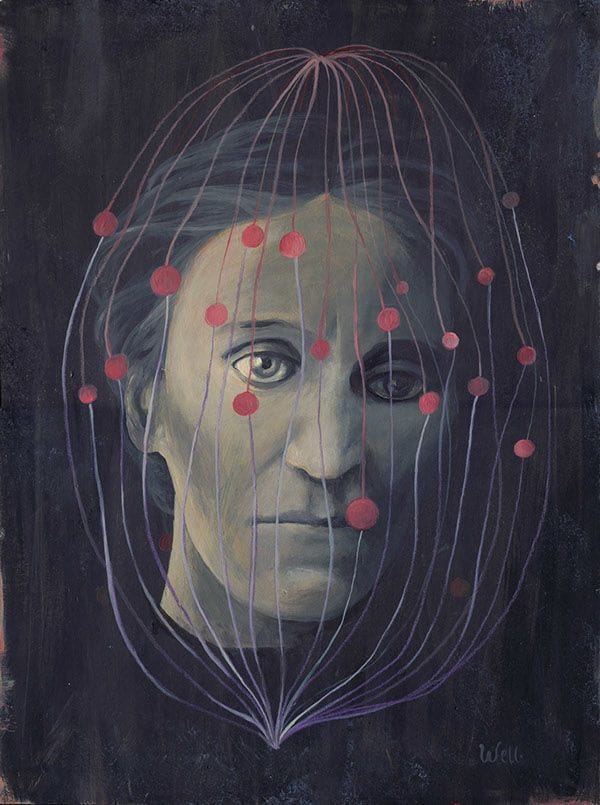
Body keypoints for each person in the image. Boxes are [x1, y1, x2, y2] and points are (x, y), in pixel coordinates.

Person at [64, 46, 550, 745]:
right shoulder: (66, 722)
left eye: (393, 382)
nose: (329, 458)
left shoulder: (501, 722)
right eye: (263, 363)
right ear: (146, 405)